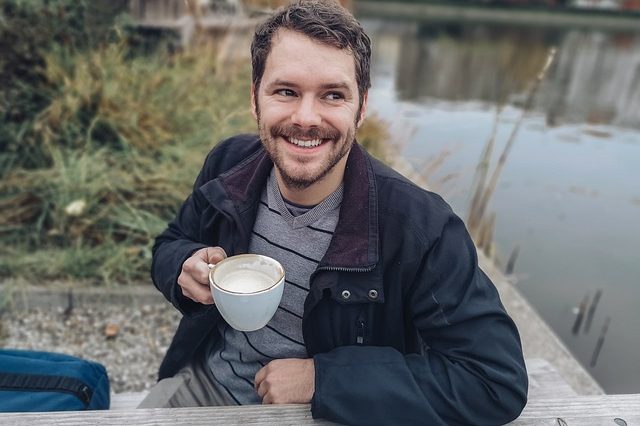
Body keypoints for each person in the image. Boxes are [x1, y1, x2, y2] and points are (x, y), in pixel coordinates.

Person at [142, 0, 528, 424]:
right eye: (286, 91)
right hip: (205, 387)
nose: (306, 118)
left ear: (360, 108)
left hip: (333, 413)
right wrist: (182, 267)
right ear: (255, 99)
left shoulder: (420, 228)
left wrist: (324, 380)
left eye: (332, 95)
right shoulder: (228, 163)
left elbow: (494, 380)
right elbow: (171, 243)